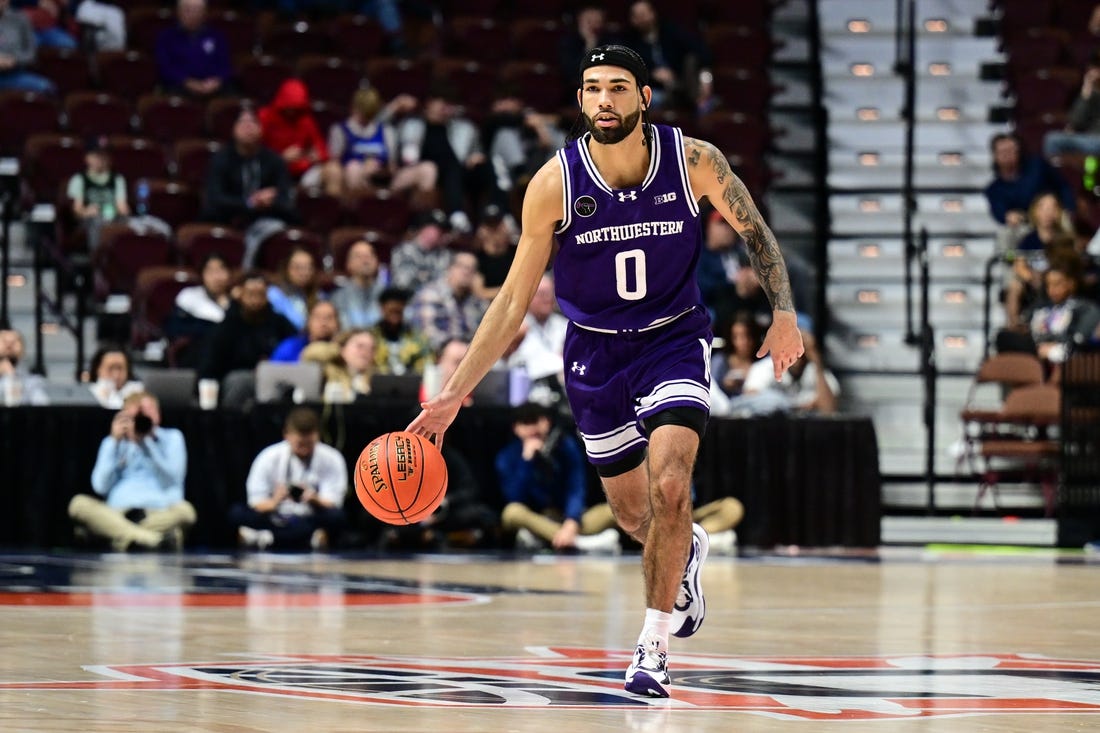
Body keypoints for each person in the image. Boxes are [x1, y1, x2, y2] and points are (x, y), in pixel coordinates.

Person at [407, 45, 803, 698]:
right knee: (632, 514)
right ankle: (688, 548)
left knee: (671, 484)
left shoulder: (694, 160)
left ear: (644, 98)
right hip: (593, 354)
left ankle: (652, 647)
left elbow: (756, 231)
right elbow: (510, 302)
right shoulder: (554, 183)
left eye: (618, 88)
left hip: (673, 339)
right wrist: (455, 393)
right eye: (592, 89)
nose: (604, 101)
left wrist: (784, 311)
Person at [68, 392, 195, 551]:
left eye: (148, 412)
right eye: (137, 415)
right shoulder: (113, 443)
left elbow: (173, 480)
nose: (142, 418)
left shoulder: (172, 438)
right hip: (117, 512)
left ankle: (115, 535)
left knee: (186, 511)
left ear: (158, 415)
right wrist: (114, 442)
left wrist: (147, 444)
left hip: (157, 513)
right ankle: (154, 540)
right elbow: (100, 486)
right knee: (78, 504)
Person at [497, 401, 620, 554]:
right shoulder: (507, 456)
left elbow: (576, 487)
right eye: (525, 423)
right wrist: (526, 462)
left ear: (547, 422)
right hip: (539, 518)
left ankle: (551, 538)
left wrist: (572, 522)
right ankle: (577, 542)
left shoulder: (565, 447)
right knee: (511, 512)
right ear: (516, 428)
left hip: (572, 517)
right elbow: (515, 496)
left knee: (616, 510)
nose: (532, 428)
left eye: (536, 421)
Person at [230, 406, 348, 551]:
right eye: (299, 444)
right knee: (237, 513)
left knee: (337, 517)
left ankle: (266, 537)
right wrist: (274, 501)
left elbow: (334, 502)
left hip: (309, 515)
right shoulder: (268, 457)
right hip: (276, 515)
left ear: (317, 435)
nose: (304, 449)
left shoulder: (331, 458)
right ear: (286, 434)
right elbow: (255, 501)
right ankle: (305, 538)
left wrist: (314, 499)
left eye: (309, 444)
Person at [202, 104, 298, 268]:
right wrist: (250, 203)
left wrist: (268, 202)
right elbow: (214, 200)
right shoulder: (221, 160)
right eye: (242, 122)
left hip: (265, 221)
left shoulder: (274, 161)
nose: (248, 127)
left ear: (261, 129)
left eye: (253, 122)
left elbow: (286, 201)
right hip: (226, 221)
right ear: (233, 129)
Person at [197, 270, 298, 408]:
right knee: (239, 381)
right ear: (240, 294)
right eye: (250, 294)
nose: (255, 300)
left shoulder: (279, 323)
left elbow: (295, 347)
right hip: (235, 379)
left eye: (260, 295)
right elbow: (210, 366)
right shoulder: (226, 326)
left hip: (275, 377)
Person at [324, 88, 436, 199]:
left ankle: (422, 214)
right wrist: (364, 169)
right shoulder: (341, 130)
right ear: (354, 108)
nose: (366, 119)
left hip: (384, 180)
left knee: (428, 168)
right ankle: (354, 212)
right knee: (354, 168)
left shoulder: (386, 131)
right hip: (353, 181)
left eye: (370, 115)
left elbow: (393, 168)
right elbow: (335, 166)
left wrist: (380, 170)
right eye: (363, 114)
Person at [983, 133, 1075, 256]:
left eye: (1012, 149)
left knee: (1067, 225)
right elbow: (999, 211)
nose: (1008, 154)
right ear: (995, 155)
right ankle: (1013, 270)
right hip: (1025, 225)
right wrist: (1007, 216)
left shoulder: (1037, 166)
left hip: (1052, 216)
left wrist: (1069, 207)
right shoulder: (994, 189)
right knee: (1005, 235)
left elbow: (1062, 185)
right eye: (1003, 151)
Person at [258, 78, 339, 193]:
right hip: (272, 172)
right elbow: (255, 153)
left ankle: (330, 209)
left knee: (333, 170)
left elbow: (322, 149)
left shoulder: (305, 120)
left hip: (302, 172)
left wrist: (317, 156)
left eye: (296, 106)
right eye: (289, 106)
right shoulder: (264, 117)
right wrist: (281, 158)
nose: (292, 110)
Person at [735, 326, 838, 416]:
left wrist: (817, 361)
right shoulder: (766, 367)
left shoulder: (815, 371)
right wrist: (789, 405)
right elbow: (750, 396)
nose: (797, 352)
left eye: (802, 346)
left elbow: (829, 409)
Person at [407, 250, 488, 351]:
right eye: (462, 266)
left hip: (469, 354)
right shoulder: (430, 294)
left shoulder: (476, 301)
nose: (466, 272)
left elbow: (486, 332)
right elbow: (426, 334)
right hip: (437, 355)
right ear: (450, 268)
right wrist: (455, 347)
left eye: (472, 269)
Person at [164, 252, 232, 367]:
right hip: (198, 355)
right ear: (202, 275)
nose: (217, 277)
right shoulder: (189, 297)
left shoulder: (238, 301)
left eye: (221, 271)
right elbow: (173, 328)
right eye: (211, 272)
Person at [155, 0, 233, 99]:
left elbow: (226, 66)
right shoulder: (166, 37)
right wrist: (187, 82)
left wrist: (217, 81)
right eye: (188, 10)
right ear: (178, 12)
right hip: (179, 86)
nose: (193, 15)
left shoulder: (217, 37)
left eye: (197, 11)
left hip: (213, 88)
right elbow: (165, 67)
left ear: (205, 13)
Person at [64, 134, 128, 251]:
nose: (102, 159)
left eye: (105, 155)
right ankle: (97, 260)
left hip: (111, 219)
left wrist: (112, 212)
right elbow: (76, 210)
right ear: (87, 157)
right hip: (88, 222)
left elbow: (123, 208)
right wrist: (87, 211)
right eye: (98, 155)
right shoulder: (79, 180)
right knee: (96, 222)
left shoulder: (117, 179)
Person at [1044, 48, 1100, 158]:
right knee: (1052, 139)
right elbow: (1075, 122)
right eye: (1095, 67)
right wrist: (1086, 92)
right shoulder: (1090, 94)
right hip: (1089, 139)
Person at [370, 285, 433, 375]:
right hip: (378, 382)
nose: (395, 316)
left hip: (411, 383)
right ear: (382, 308)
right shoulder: (372, 337)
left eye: (398, 312)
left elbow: (427, 362)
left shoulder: (417, 337)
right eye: (391, 311)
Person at [301, 327, 376, 401]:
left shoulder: (375, 379)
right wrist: (337, 349)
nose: (366, 352)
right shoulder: (329, 370)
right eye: (360, 346)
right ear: (343, 347)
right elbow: (308, 354)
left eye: (371, 348)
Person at [388, 208, 454, 292]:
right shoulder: (404, 251)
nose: (443, 235)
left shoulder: (446, 255)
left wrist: (422, 276)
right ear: (424, 229)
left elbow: (448, 284)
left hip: (436, 299)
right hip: (407, 299)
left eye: (444, 231)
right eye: (439, 230)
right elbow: (403, 283)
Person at [329, 239, 386, 329]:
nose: (365, 261)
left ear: (377, 262)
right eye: (359, 256)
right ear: (348, 264)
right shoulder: (337, 298)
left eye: (370, 256)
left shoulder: (387, 295)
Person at [0, 0, 54, 94]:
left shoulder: (20, 19)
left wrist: (14, 60)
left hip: (13, 74)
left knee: (46, 87)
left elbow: (31, 53)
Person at [266, 246, 323, 331]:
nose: (304, 273)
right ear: (286, 269)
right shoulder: (272, 295)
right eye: (297, 267)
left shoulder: (320, 296)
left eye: (308, 267)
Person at [471, 204, 517, 301]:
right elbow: (479, 292)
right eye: (489, 225)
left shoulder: (516, 252)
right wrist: (507, 291)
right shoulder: (479, 259)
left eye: (497, 224)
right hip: (489, 306)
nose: (494, 230)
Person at [712, 311, 762, 399]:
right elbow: (711, 391)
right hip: (725, 408)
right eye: (737, 337)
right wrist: (724, 385)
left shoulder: (764, 361)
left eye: (747, 336)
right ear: (730, 338)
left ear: (755, 336)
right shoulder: (719, 361)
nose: (743, 342)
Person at [271, 299, 340, 362]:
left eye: (329, 317)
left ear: (338, 323)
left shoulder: (343, 351)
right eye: (318, 317)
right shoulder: (290, 348)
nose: (323, 323)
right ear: (309, 322)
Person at [84, 342, 143, 408]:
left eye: (120, 368)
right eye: (110, 369)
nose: (116, 375)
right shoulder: (85, 394)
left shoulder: (138, 392)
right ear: (98, 369)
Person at [0, 327, 47, 405]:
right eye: (4, 341)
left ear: (22, 349)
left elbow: (41, 404)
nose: (9, 345)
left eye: (14, 342)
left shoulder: (32, 382)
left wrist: (11, 376)